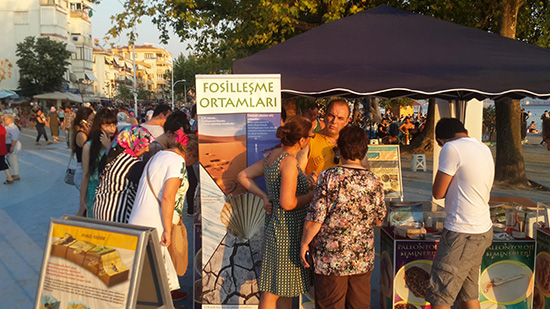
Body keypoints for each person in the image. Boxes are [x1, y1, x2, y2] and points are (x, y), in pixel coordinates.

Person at [300, 125, 386, 309]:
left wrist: (304, 243)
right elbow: (379, 218)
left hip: (330, 258)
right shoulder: (374, 180)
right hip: (362, 257)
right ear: (364, 150)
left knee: (330, 304)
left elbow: (316, 217)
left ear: (339, 148)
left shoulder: (329, 176)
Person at [238, 116, 315, 309]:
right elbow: (288, 203)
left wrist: (264, 196)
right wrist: (310, 195)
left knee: (284, 288)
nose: (310, 140)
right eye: (310, 137)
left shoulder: (274, 156)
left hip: (277, 226)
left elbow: (243, 176)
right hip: (287, 231)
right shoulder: (288, 161)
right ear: (302, 140)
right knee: (273, 290)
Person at [425, 118, 494, 309]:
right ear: (464, 131)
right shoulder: (483, 148)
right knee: (468, 295)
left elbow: (438, 192)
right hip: (482, 230)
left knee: (440, 296)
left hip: (462, 233)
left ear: (441, 140)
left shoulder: (451, 148)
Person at [129, 129, 198, 303]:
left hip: (140, 217)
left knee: (150, 272)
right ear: (189, 153)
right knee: (158, 274)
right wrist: (168, 229)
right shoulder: (177, 162)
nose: (192, 164)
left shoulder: (159, 155)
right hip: (155, 221)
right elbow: (168, 196)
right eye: (194, 160)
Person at [92, 126, 155, 223]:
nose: (147, 149)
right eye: (144, 145)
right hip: (115, 216)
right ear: (134, 142)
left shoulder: (115, 155)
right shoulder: (133, 164)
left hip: (101, 211)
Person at [77, 109, 117, 217]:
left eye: (114, 125)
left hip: (112, 191)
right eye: (107, 125)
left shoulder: (118, 145)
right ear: (99, 127)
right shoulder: (89, 146)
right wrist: (82, 200)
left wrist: (109, 148)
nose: (112, 129)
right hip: (94, 189)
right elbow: (86, 174)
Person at [297, 99, 351, 177]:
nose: (334, 121)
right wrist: (308, 179)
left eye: (340, 118)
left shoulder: (351, 143)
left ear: (347, 121)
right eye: (331, 115)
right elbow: (298, 174)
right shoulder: (309, 140)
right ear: (325, 115)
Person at [72, 107, 94, 191]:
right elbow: (89, 151)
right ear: (83, 120)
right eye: (91, 120)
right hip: (82, 171)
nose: (93, 122)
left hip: (85, 169)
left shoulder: (84, 133)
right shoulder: (81, 135)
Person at [4, 114, 21, 181]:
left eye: (5, 120)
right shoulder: (7, 127)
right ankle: (14, 173)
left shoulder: (14, 128)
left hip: (13, 145)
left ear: (9, 120)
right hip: (8, 144)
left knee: (13, 159)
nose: (4, 121)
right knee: (10, 159)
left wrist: (12, 146)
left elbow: (14, 138)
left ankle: (16, 174)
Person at [0, 114, 14, 184]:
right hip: (2, 148)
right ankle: (9, 177)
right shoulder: (3, 128)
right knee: (2, 162)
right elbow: (5, 138)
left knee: (2, 163)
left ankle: (9, 178)